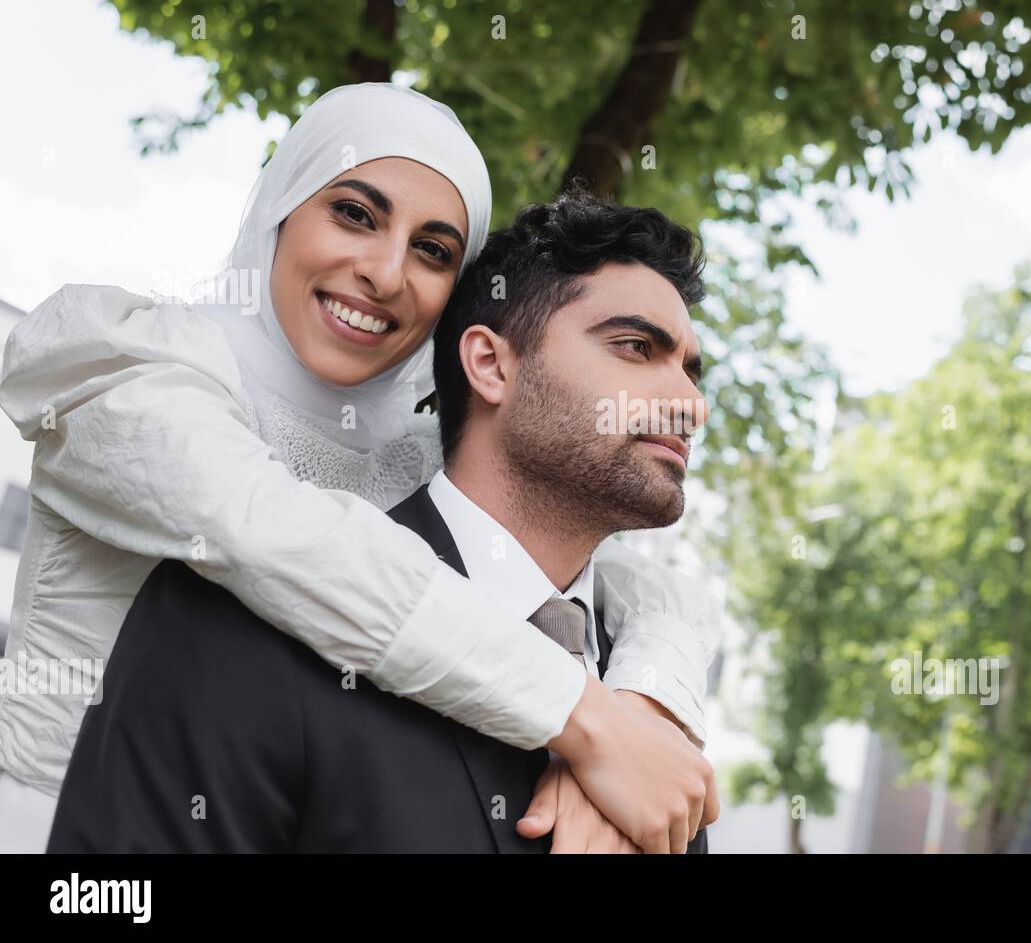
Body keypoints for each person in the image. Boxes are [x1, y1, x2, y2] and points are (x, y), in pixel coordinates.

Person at [0, 83, 718, 854]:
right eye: (354, 212)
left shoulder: (406, 458)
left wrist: (648, 703)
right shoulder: (129, 374)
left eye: (434, 250)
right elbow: (273, 539)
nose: (383, 271)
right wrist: (591, 721)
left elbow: (637, 591)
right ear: (282, 206)